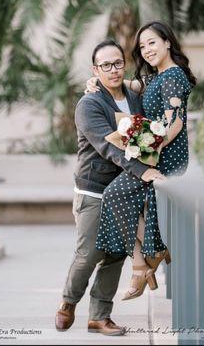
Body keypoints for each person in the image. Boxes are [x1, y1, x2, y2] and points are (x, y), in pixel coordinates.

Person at [55, 40, 165, 336]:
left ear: (124, 64)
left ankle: (99, 317)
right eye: (105, 65)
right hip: (94, 189)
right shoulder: (89, 104)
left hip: (124, 190)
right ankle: (68, 301)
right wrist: (144, 172)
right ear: (95, 69)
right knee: (89, 253)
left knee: (114, 253)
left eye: (118, 63)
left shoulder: (133, 96)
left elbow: (157, 84)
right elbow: (109, 147)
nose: (113, 70)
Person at [86, 21, 196, 300]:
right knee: (118, 198)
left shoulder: (172, 76)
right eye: (142, 46)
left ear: (167, 42)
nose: (147, 50)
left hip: (165, 157)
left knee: (113, 195)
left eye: (152, 42)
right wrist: (95, 81)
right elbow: (124, 83)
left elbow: (175, 125)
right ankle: (145, 262)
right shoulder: (155, 77)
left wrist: (146, 147)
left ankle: (143, 263)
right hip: (154, 156)